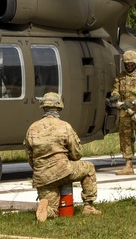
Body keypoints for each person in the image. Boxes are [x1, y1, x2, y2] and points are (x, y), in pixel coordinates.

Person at [23, 92, 100, 221]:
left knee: (53, 208)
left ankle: (46, 210)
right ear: (59, 107)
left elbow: (30, 157)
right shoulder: (64, 126)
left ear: (43, 107)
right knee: (89, 168)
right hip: (63, 171)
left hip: (42, 177)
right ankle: (89, 207)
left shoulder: (32, 128)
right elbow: (77, 154)